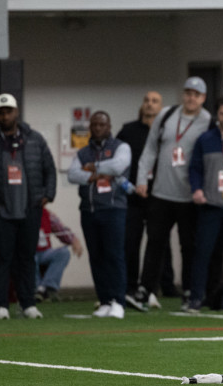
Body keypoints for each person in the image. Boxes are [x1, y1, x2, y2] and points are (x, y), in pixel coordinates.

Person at [0, 93, 55, 320]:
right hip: (1, 210)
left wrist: (47, 195)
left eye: (9, 111)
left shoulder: (34, 139)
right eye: (1, 112)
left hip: (29, 209)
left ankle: (28, 304)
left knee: (27, 257)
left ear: (16, 112)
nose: (5, 115)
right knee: (0, 258)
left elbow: (49, 168)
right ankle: (1, 304)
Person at [132, 77, 211, 309]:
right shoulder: (166, 115)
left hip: (189, 196)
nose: (191, 97)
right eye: (188, 92)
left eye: (196, 94)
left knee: (189, 246)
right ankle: (145, 289)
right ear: (183, 95)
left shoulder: (208, 121)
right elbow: (150, 149)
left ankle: (188, 289)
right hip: (161, 193)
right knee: (155, 242)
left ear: (203, 98)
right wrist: (141, 179)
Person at [68, 111, 130, 318]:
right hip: (89, 210)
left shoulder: (120, 147)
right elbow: (73, 174)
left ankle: (118, 301)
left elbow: (118, 165)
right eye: (94, 125)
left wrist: (93, 168)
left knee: (114, 255)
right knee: (97, 257)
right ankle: (104, 300)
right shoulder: (83, 152)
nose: (97, 128)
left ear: (109, 126)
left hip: (113, 209)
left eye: (101, 124)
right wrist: (100, 173)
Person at [185, 96, 223, 312]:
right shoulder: (205, 139)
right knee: (203, 252)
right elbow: (195, 167)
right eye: (221, 114)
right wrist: (197, 189)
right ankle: (196, 298)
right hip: (210, 203)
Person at [117, 90, 171, 309]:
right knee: (131, 243)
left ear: (161, 107)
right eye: (147, 100)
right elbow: (118, 164)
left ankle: (150, 289)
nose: (150, 104)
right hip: (133, 197)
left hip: (159, 197)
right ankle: (129, 287)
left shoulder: (166, 133)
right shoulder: (128, 131)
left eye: (155, 101)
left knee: (157, 244)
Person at [35, 206, 81, 303]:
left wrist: (74, 240)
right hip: (29, 253)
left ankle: (45, 287)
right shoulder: (20, 213)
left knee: (63, 253)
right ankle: (36, 288)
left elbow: (61, 230)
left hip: (44, 252)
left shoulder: (47, 214)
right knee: (27, 257)